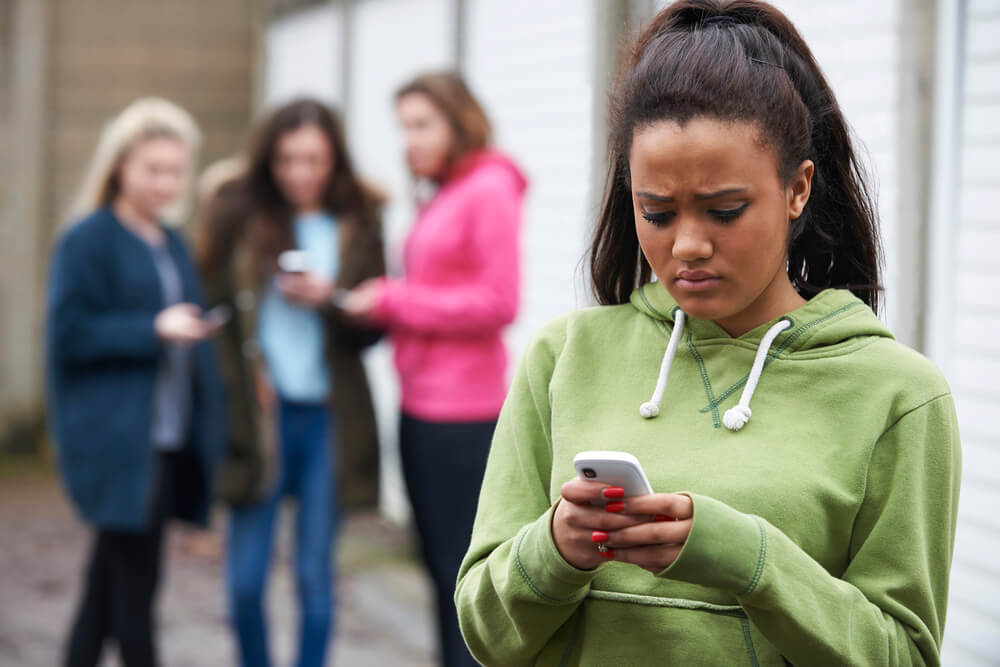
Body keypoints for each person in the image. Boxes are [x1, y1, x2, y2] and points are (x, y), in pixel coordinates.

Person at [454, 2, 962, 665]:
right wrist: (554, 548)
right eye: (657, 211)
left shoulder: (898, 396)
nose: (688, 245)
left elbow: (903, 654)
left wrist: (750, 560)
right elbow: (485, 632)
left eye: (725, 210)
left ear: (797, 188)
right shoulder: (562, 358)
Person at [342, 72, 527, 667]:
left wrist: (396, 300)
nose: (409, 140)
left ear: (458, 121)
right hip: (419, 404)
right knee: (435, 566)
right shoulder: (444, 190)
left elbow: (500, 301)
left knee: (459, 575)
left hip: (463, 416)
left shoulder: (489, 188)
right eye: (403, 128)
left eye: (422, 124)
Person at [196, 98, 386, 667]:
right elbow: (212, 314)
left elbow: (372, 329)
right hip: (260, 418)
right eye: (287, 159)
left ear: (335, 160)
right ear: (268, 160)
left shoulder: (361, 221)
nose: (301, 172)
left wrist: (330, 299)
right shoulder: (237, 213)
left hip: (328, 418)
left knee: (314, 578)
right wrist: (240, 384)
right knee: (246, 582)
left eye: (314, 159)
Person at [46, 97, 226, 667]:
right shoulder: (87, 239)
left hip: (167, 437)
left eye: (176, 170)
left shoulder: (170, 239)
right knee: (135, 594)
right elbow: (69, 336)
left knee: (107, 586)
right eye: (153, 169)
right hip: (121, 444)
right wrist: (152, 328)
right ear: (120, 164)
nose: (166, 183)